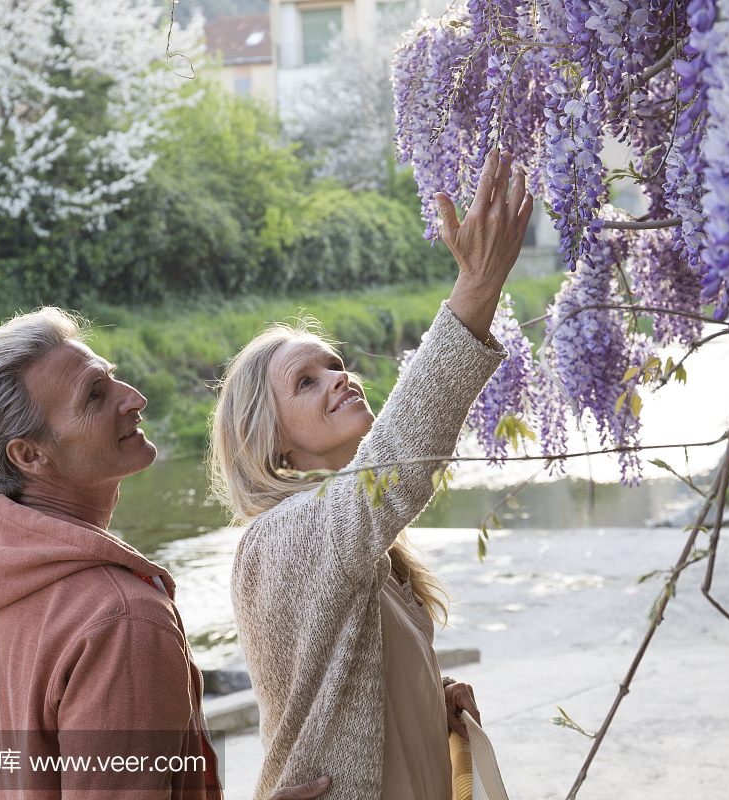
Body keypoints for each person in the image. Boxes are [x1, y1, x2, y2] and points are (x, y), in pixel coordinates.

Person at [208, 149, 533, 800]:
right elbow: (396, 468)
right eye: (306, 381)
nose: (339, 378)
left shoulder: (363, 553)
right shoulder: (279, 540)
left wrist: (423, 704)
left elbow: (346, 688)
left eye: (335, 365)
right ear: (271, 445)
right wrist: (476, 290)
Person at [0, 307, 331, 800]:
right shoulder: (120, 621)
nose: (135, 399)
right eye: (94, 396)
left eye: (112, 379)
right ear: (29, 455)